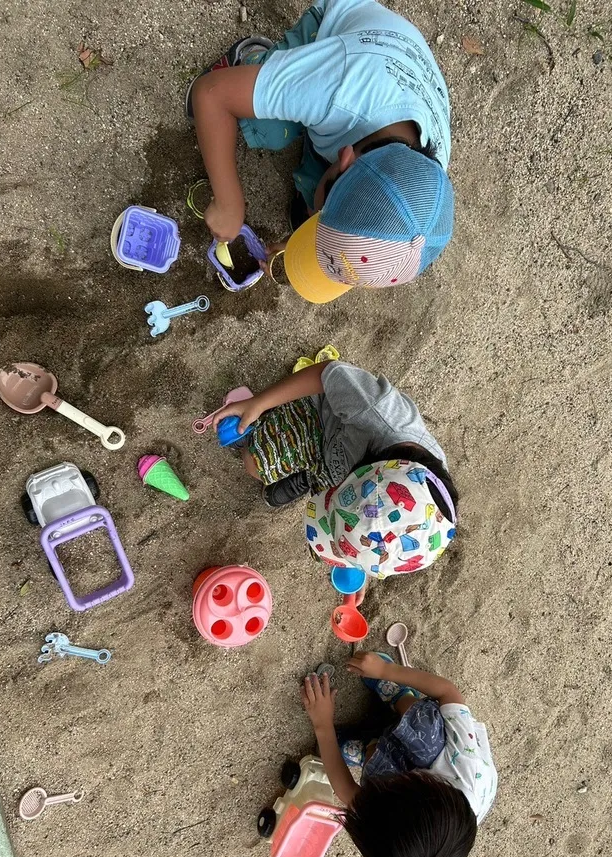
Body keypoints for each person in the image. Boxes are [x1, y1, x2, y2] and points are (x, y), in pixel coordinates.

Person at [188, 0, 453, 303]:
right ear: (344, 159)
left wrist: (297, 244)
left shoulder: (425, 189)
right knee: (266, 129)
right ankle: (255, 59)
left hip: (382, 85)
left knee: (310, 207)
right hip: (336, 34)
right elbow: (209, 94)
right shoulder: (339, 88)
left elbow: (370, 233)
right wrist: (228, 201)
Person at [212, 358, 458, 577]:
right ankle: (305, 470)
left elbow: (381, 538)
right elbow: (326, 373)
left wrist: (364, 560)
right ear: (367, 468)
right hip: (321, 421)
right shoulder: (375, 412)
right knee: (253, 464)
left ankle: (310, 478)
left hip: (342, 475)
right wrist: (258, 403)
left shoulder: (430, 527)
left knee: (322, 549)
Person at [300, 653, 497, 857]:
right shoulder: (466, 765)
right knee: (422, 728)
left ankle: (370, 749)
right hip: (441, 747)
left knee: (375, 768)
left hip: (418, 793)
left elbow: (347, 791)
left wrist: (323, 726)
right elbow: (448, 693)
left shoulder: (386, 827)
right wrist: (385, 670)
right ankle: (399, 696)